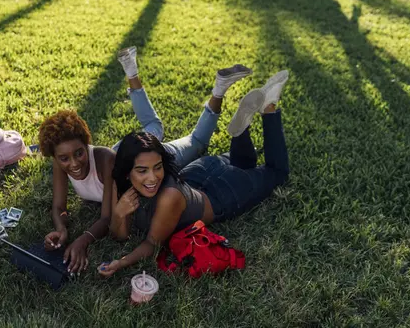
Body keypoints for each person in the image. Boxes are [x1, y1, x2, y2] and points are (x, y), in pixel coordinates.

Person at [38, 46, 252, 274]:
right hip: (127, 153)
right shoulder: (61, 160)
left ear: (86, 144)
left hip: (145, 163)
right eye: (64, 159)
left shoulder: (107, 162)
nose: (73, 164)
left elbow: (107, 217)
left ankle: (218, 90)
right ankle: (131, 71)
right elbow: (59, 206)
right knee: (153, 127)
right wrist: (61, 228)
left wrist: (83, 240)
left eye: (79, 153)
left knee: (197, 142)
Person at [98, 70, 290, 277]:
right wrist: (119, 213)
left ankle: (269, 108)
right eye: (142, 171)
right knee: (245, 161)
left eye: (158, 166)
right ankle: (240, 129)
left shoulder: (168, 198)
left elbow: (152, 244)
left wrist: (122, 263)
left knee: (277, 172)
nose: (153, 177)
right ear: (127, 172)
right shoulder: (120, 180)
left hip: (222, 193)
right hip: (198, 172)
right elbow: (120, 235)